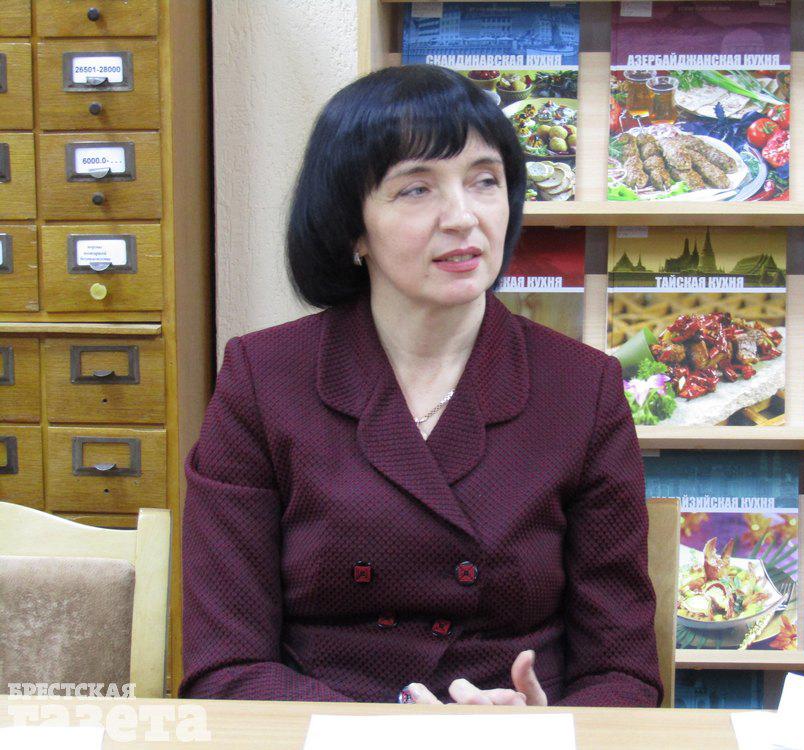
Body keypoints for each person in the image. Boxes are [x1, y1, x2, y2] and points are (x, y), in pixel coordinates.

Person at [180, 64, 661, 707]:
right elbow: (224, 665)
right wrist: (385, 735)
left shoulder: (582, 388)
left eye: (484, 181)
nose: (463, 216)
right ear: (353, 227)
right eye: (416, 189)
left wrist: (542, 731)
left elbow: (624, 674)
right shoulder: (263, 380)